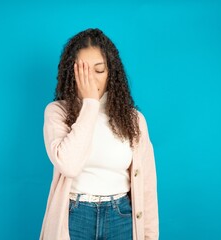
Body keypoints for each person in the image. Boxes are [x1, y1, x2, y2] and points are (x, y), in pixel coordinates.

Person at [39, 28, 159, 240]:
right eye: (83, 70)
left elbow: (147, 186)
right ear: (71, 72)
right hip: (75, 215)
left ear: (111, 72)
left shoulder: (133, 119)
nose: (91, 79)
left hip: (121, 216)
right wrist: (90, 104)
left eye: (99, 70)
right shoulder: (57, 112)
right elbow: (69, 165)